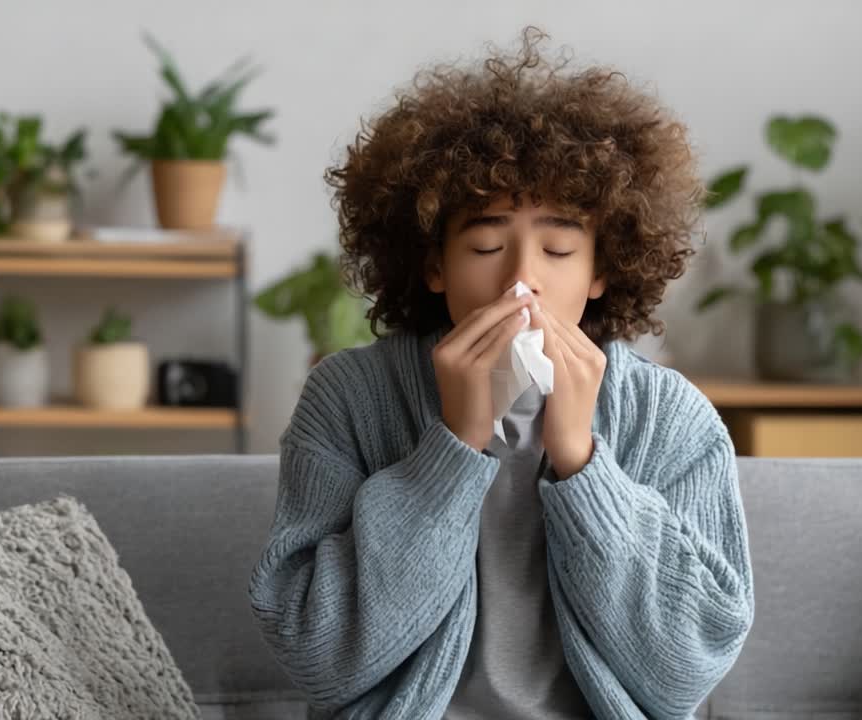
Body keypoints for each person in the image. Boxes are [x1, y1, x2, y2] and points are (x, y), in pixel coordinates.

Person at [248, 26, 754, 720]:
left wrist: (583, 464)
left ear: (602, 270)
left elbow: (685, 667)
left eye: (557, 247)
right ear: (434, 265)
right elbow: (317, 654)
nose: (522, 280)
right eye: (486, 243)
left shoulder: (673, 419)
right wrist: (453, 448)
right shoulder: (350, 399)